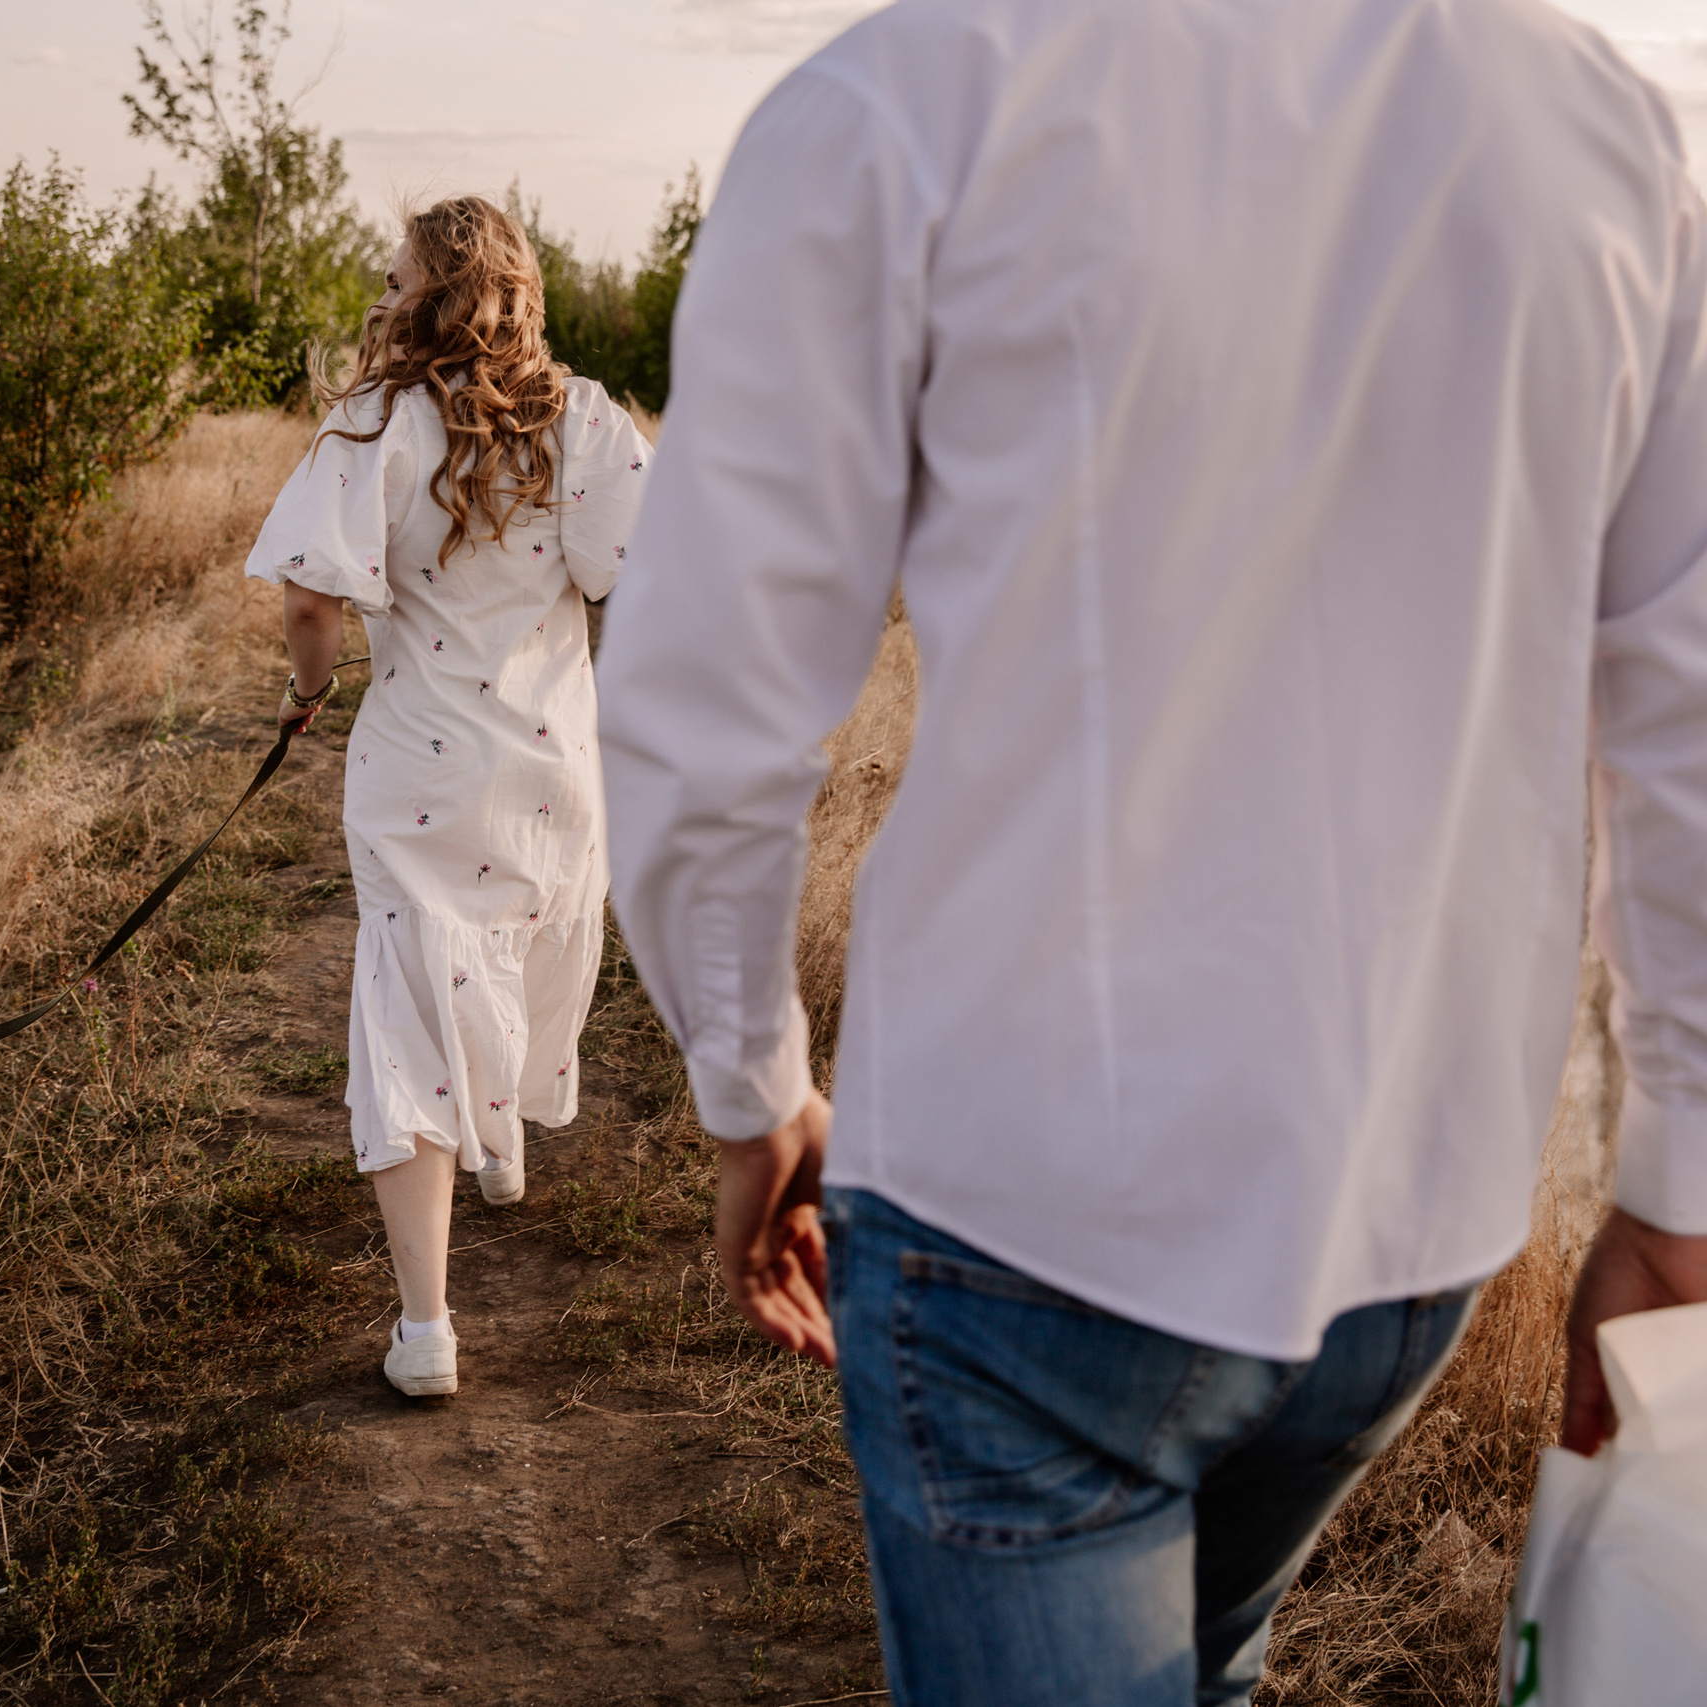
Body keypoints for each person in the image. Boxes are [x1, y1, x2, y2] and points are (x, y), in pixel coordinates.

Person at [596, 0, 1707, 1700]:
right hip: (1410, 1212)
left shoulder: (899, 109)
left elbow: (708, 703)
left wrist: (748, 1082)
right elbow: (1685, 713)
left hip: (1021, 1208)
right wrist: (1680, 1179)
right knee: (1209, 1661)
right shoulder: (1600, 131)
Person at [245, 195, 650, 1398]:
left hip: (418, 767)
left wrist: (308, 692)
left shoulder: (371, 424)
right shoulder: (586, 419)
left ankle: (426, 1329)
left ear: (431, 293)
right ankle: (502, 1139)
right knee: (519, 941)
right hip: (548, 764)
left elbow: (311, 601)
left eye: (393, 276)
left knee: (405, 1007)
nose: (380, 293)